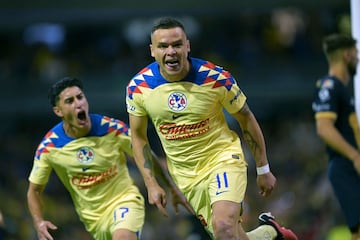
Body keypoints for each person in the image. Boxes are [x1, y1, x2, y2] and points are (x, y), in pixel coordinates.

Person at [126, 17, 298, 240]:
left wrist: (263, 168)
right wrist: (152, 184)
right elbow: (138, 138)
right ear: (152, 50)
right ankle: (270, 232)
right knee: (229, 235)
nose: (171, 51)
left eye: (177, 44)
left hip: (222, 159)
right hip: (186, 176)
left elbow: (246, 118)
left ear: (187, 46)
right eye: (163, 46)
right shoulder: (139, 87)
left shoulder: (214, 78)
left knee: (223, 226)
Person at [27, 77, 191, 240]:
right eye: (69, 101)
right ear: (58, 111)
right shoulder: (49, 147)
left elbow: (144, 153)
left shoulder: (111, 129)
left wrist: (162, 186)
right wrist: (38, 221)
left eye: (80, 97)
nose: (78, 104)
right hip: (94, 220)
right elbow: (34, 190)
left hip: (124, 201)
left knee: (122, 237)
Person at [312, 34, 360, 239]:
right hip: (344, 166)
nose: (358, 58)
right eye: (356, 53)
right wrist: (355, 156)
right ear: (347, 54)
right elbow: (324, 128)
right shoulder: (329, 86)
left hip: (349, 166)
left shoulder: (342, 89)